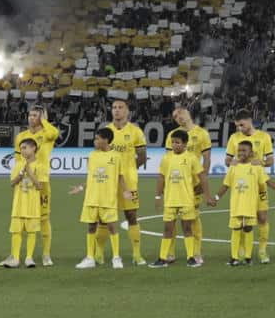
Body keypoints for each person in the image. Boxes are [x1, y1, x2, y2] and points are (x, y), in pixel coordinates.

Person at [209, 140, 275, 266]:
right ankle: (234, 257)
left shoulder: (256, 168)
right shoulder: (233, 167)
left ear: (251, 153)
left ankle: (248, 257)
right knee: (236, 229)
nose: (240, 153)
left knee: (248, 229)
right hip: (236, 205)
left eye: (244, 150)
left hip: (250, 206)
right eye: (239, 150)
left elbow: (268, 181)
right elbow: (225, 185)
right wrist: (216, 198)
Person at [224, 110, 275, 263]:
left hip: (258, 183)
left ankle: (262, 250)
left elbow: (271, 160)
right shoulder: (234, 138)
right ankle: (240, 250)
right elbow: (227, 159)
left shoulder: (264, 136)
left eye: (242, 124)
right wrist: (231, 162)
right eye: (237, 125)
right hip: (242, 183)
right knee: (241, 219)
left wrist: (263, 162)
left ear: (249, 120)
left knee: (262, 217)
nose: (240, 128)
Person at [71, 128, 126, 270]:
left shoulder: (117, 156)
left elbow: (120, 177)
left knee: (112, 227)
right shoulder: (92, 156)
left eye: (97, 138)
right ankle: (90, 257)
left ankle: (116, 257)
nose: (95, 141)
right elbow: (91, 178)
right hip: (92, 198)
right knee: (91, 227)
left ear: (106, 140)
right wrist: (81, 188)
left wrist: (126, 191)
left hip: (108, 199)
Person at [13, 105, 60, 266]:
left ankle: (46, 255)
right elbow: (17, 159)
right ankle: (20, 255)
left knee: (44, 218)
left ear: (41, 118)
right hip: (25, 182)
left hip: (42, 179)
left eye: (35, 115)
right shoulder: (21, 136)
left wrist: (44, 121)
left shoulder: (47, 133)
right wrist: (20, 172)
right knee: (22, 217)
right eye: (30, 115)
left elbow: (55, 133)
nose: (31, 118)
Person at [102, 99, 147, 265]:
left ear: (127, 111)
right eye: (114, 107)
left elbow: (142, 156)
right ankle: (99, 254)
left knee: (131, 216)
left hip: (128, 181)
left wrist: (129, 169)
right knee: (104, 217)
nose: (117, 110)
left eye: (120, 107)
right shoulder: (106, 130)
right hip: (108, 181)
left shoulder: (135, 131)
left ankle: (137, 255)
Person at [153, 129, 205, 268]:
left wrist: (207, 194)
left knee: (187, 229)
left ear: (185, 144)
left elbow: (201, 177)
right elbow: (161, 178)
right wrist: (158, 196)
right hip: (170, 200)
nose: (174, 145)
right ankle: (162, 258)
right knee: (167, 229)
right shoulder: (166, 158)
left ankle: (191, 258)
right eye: (172, 142)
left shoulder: (191, 158)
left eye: (177, 142)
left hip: (187, 200)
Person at [169, 104, 213, 261]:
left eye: (181, 112)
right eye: (175, 116)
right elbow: (169, 161)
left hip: (193, 184)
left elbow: (207, 158)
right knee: (171, 218)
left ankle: (196, 252)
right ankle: (170, 252)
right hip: (175, 184)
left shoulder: (202, 134)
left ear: (188, 113)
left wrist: (203, 180)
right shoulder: (173, 135)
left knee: (193, 218)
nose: (179, 116)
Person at [2, 137, 46, 269]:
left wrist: (29, 172)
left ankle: (29, 258)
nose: (22, 151)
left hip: (32, 205)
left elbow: (40, 186)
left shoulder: (41, 166)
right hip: (18, 204)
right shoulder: (17, 165)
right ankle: (15, 258)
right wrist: (21, 174)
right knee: (16, 231)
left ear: (33, 148)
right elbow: (12, 183)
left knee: (32, 232)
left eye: (25, 148)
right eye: (20, 148)